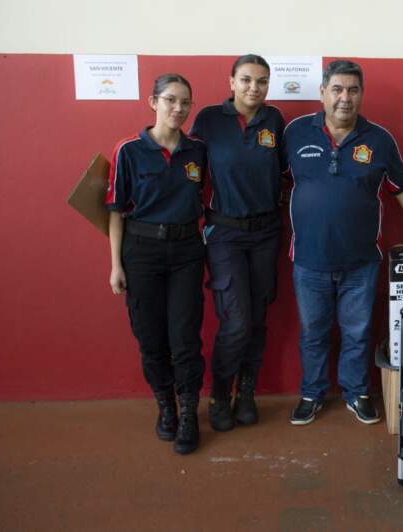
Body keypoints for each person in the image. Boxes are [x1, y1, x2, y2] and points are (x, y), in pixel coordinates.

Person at [282, 60, 403, 426]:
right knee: (313, 333)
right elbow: (273, 180)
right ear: (323, 93)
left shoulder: (379, 139)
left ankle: (356, 392)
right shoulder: (295, 133)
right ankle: (311, 393)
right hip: (309, 261)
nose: (345, 98)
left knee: (357, 332)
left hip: (361, 261)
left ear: (361, 95)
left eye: (353, 90)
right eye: (337, 89)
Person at [106, 73, 207, 455]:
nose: (178, 109)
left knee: (185, 339)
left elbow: (207, 201)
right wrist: (116, 265)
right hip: (141, 252)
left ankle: (189, 413)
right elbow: (116, 212)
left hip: (186, 251)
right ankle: (166, 407)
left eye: (185, 102)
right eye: (170, 100)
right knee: (151, 338)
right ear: (153, 102)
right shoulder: (129, 150)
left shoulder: (197, 150)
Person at [189, 55, 286, 432]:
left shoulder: (274, 120)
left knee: (258, 319)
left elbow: (283, 173)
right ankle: (219, 394)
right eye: (245, 80)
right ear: (231, 82)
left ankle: (247, 394)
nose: (253, 88)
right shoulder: (210, 120)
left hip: (265, 233)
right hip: (224, 234)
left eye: (261, 81)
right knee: (237, 322)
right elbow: (190, 171)